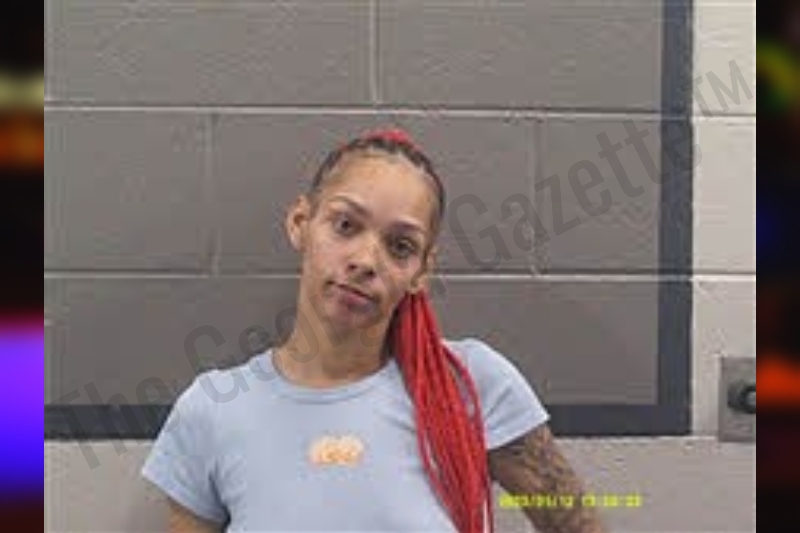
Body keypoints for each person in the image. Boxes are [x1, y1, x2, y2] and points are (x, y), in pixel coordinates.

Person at [141, 128, 608, 532]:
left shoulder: (471, 385)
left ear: (422, 271)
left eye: (400, 246)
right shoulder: (212, 411)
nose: (366, 261)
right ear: (300, 223)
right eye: (345, 226)